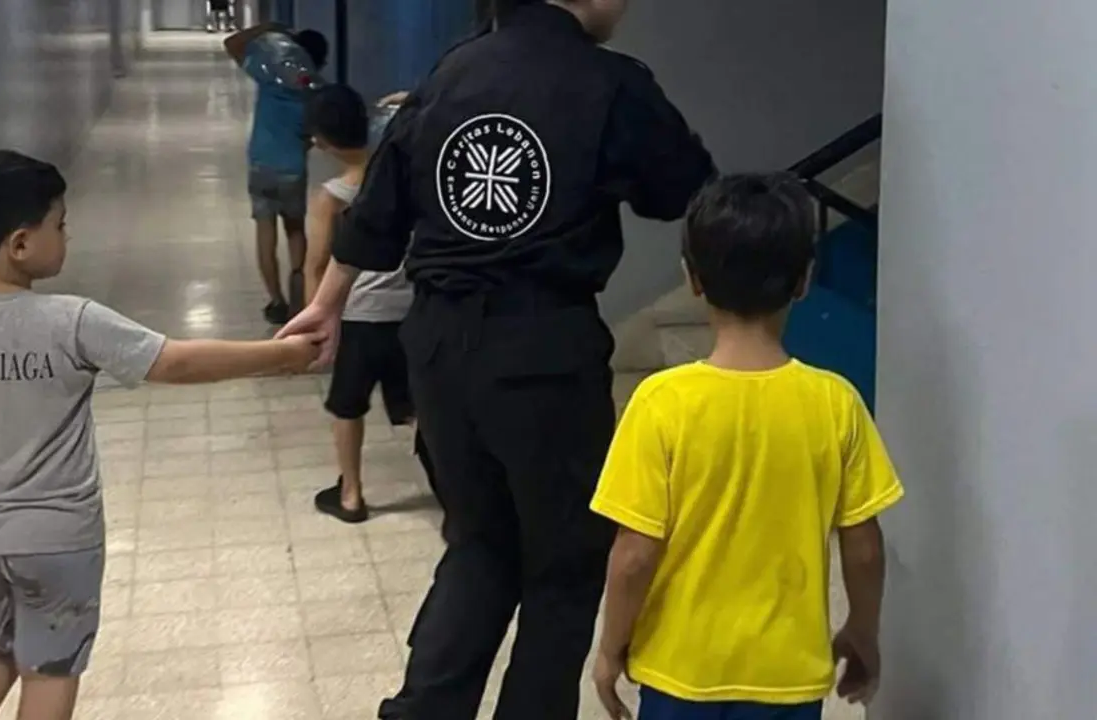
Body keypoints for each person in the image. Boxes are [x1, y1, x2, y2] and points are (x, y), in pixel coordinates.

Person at [280, 1, 717, 717]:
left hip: (440, 348)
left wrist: (328, 302)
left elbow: (380, 213)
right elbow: (678, 188)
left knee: (480, 541)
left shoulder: (454, 67)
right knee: (565, 564)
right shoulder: (607, 81)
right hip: (543, 348)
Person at [0, 150, 321, 720]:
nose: (67, 235)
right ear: (20, 244)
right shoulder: (72, 321)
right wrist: (280, 356)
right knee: (51, 666)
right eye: (59, 224)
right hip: (56, 537)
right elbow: (173, 363)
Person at [589, 174, 905, 720]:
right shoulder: (836, 403)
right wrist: (862, 630)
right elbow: (865, 548)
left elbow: (634, 556)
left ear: (692, 278)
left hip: (678, 673)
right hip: (788, 678)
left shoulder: (660, 403)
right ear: (805, 279)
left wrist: (610, 648)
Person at [302, 83, 418, 522]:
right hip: (409, 312)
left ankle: (350, 494)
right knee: (413, 406)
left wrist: (315, 327)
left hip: (359, 319)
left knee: (346, 405)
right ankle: (455, 489)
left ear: (320, 142)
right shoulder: (400, 177)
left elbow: (316, 265)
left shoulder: (331, 197)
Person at [224, 24, 329, 325]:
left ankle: (276, 300)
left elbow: (231, 43)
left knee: (264, 232)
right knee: (295, 230)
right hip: (292, 168)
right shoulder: (315, 93)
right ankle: (299, 293)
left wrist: (268, 27)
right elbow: (317, 137)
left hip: (260, 164)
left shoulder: (268, 76)